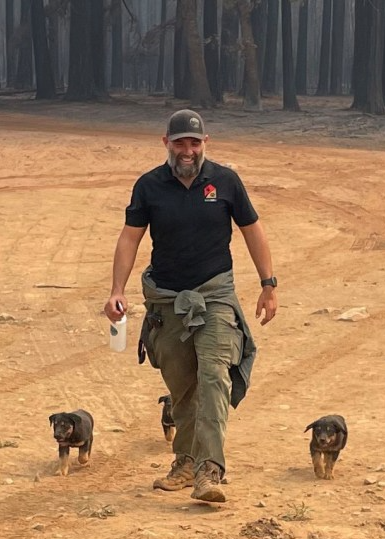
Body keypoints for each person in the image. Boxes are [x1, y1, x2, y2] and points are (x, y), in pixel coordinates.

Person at [104, 109, 277, 503]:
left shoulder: (226, 181)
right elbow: (130, 238)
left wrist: (269, 285)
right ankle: (184, 461)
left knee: (214, 377)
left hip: (214, 295)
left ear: (206, 143)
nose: (187, 150)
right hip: (167, 299)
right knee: (182, 385)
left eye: (194, 143)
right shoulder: (149, 186)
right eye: (179, 142)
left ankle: (209, 471)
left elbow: (253, 231)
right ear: (165, 142)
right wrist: (117, 289)